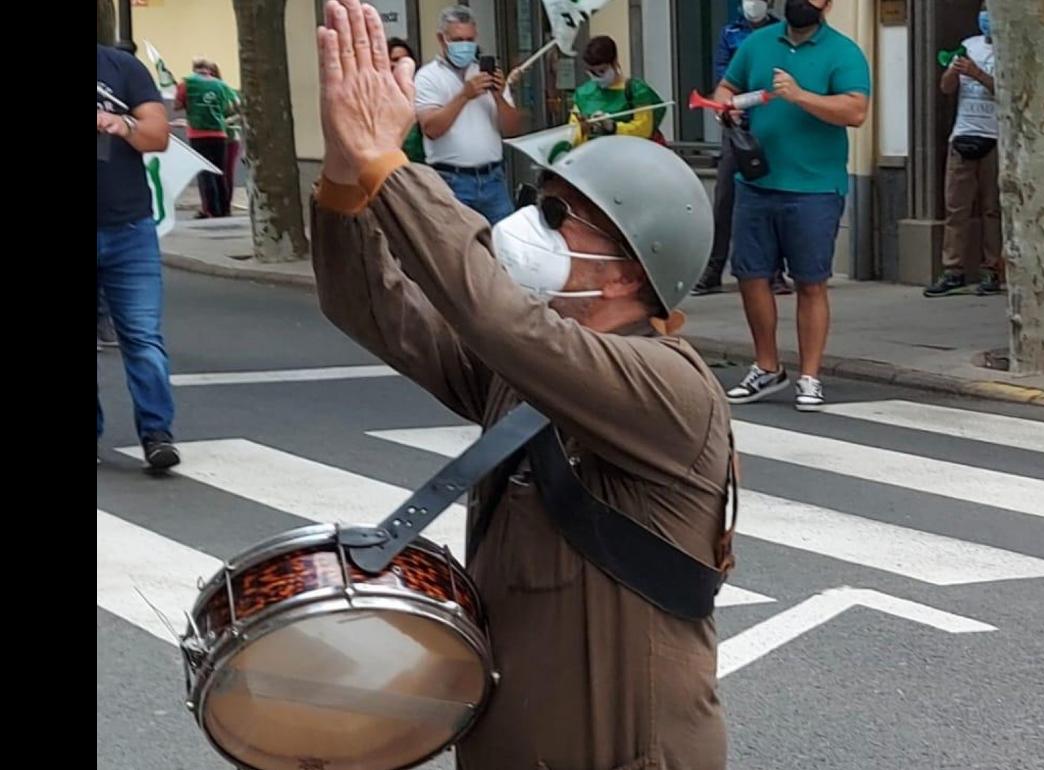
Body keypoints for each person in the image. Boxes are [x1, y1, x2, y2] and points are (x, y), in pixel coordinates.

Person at [311, 2, 731, 766]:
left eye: (559, 215)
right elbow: (372, 307)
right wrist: (346, 178)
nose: (532, 223)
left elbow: (497, 319)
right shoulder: (531, 373)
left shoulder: (667, 386)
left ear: (630, 269)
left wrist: (389, 165)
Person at [715, 0, 871, 411]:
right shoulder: (758, 43)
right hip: (756, 181)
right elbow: (727, 86)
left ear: (828, 5)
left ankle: (809, 376)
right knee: (751, 277)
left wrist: (801, 96)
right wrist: (725, 107)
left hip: (814, 188)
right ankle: (767, 366)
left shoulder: (843, 51)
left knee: (810, 281)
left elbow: (856, 110)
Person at [97, 43, 180, 469]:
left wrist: (120, 123)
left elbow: (159, 136)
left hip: (128, 226)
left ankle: (157, 434)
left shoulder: (121, 66)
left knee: (143, 337)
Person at [692, 0, 792, 298]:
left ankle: (775, 271)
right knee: (725, 198)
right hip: (736, 128)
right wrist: (729, 105)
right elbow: (724, 75)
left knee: (772, 197)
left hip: (769, 125)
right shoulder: (729, 33)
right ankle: (714, 269)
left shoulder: (780, 31)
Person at [414, 5, 522, 225]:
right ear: (442, 39)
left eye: (469, 39)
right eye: (457, 39)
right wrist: (464, 96)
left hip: (493, 179)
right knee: (456, 250)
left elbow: (512, 128)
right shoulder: (428, 77)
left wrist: (499, 96)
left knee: (506, 246)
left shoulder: (486, 73)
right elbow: (431, 129)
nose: (464, 45)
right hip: (451, 180)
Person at [924, 2, 1003, 298]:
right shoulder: (968, 45)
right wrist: (955, 72)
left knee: (992, 209)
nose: (985, 18)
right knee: (955, 208)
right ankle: (952, 270)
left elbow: (1006, 90)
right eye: (983, 12)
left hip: (994, 138)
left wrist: (978, 73)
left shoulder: (1010, 49)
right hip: (963, 135)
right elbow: (946, 88)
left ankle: (992, 270)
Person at [567, 35, 665, 145]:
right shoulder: (583, 94)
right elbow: (572, 134)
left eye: (601, 71)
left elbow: (644, 129)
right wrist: (584, 129)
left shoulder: (636, 90)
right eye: (591, 72)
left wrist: (613, 127)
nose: (596, 77)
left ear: (614, 62)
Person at [175, 58, 236, 218]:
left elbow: (177, 105)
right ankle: (224, 209)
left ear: (194, 68)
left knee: (204, 171)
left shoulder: (186, 83)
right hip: (219, 133)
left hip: (198, 133)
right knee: (219, 171)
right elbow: (229, 106)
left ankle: (210, 209)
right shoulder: (221, 85)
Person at [207, 62, 243, 214]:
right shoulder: (201, 93)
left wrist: (225, 122)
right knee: (209, 172)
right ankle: (210, 207)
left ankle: (225, 206)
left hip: (229, 137)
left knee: (226, 172)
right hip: (208, 136)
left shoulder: (226, 90)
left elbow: (241, 111)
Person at [387, 37, 427, 164]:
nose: (401, 64)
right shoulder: (377, 92)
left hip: (420, 161)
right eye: (395, 60)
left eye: (405, 60)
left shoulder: (421, 86)